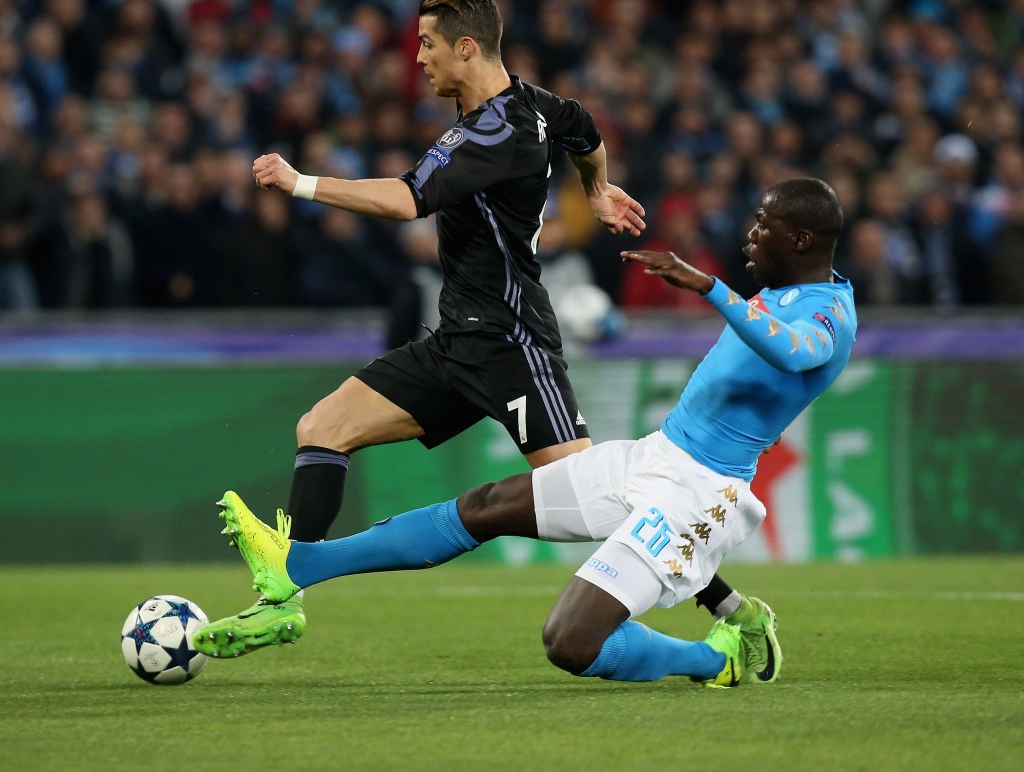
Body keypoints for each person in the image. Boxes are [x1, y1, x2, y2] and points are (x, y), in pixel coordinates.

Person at [197, 0, 769, 674]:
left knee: (604, 500)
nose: (418, 58)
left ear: (466, 47)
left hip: (513, 347)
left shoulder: (492, 135)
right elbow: (585, 130)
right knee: (323, 427)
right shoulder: (536, 110)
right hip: (455, 342)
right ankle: (285, 594)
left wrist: (303, 184)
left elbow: (408, 198)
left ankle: (735, 616)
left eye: (428, 44)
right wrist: (596, 189)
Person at [198, 177, 854, 685]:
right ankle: (299, 567)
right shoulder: (784, 287)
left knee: (570, 642)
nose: (750, 235)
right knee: (488, 505)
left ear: (800, 240)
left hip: (701, 492)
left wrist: (707, 286)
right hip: (656, 455)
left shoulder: (830, 314)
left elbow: (795, 353)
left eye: (763, 226)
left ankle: (719, 663)